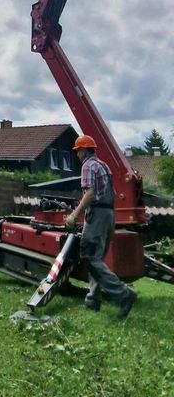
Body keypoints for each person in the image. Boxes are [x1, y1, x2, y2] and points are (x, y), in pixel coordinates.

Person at [65, 134, 137, 318]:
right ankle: (93, 300)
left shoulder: (88, 165)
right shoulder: (103, 165)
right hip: (109, 214)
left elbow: (89, 193)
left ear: (82, 150)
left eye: (78, 151)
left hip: (97, 215)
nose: (77, 155)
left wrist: (74, 214)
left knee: (89, 256)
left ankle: (123, 294)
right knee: (97, 260)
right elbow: (111, 191)